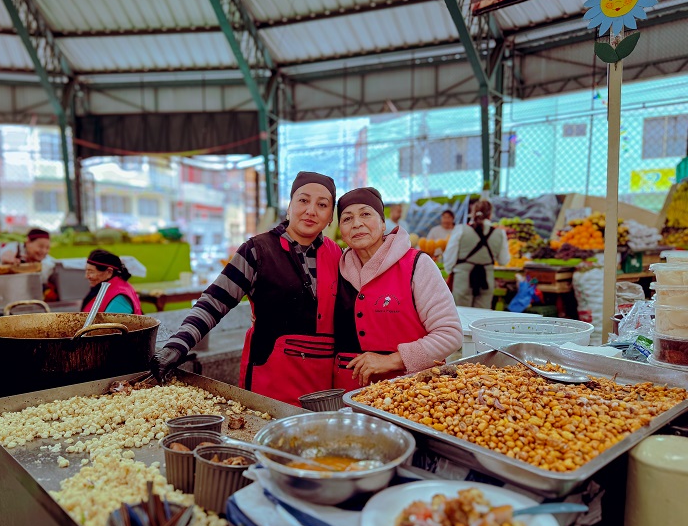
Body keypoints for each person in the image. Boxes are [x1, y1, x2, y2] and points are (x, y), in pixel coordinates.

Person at [152, 171, 342, 405]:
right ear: (289, 207)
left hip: (322, 389)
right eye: (303, 200)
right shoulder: (257, 251)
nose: (311, 210)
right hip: (270, 382)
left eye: (322, 205)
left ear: (331, 216)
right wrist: (176, 346)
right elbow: (214, 302)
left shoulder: (338, 256)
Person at [333, 187, 463, 390]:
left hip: (412, 393)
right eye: (347, 219)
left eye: (366, 214)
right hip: (349, 398)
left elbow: (450, 334)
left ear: (383, 223)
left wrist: (392, 360)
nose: (357, 223)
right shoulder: (337, 269)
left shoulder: (417, 265)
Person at [443, 200, 510, 309]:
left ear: (472, 213)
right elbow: (504, 260)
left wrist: (450, 270)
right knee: (481, 318)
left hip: (463, 279)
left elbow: (449, 257)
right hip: (486, 281)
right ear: (490, 214)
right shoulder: (500, 233)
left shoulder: (460, 230)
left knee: (461, 316)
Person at [81, 249, 142, 315]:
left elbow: (113, 325)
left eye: (91, 272)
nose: (86, 276)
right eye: (87, 271)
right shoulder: (101, 287)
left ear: (109, 272)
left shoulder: (119, 298)